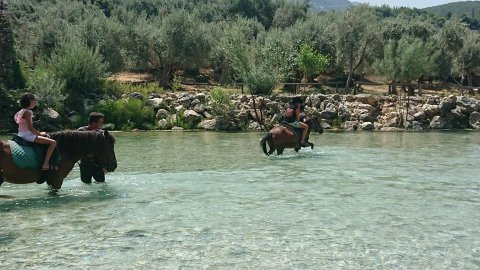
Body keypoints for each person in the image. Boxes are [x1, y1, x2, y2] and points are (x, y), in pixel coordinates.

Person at [14, 94, 57, 171]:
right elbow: (30, 128)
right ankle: (45, 163)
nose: (35, 103)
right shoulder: (28, 112)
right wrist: (40, 134)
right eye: (34, 101)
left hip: (21, 134)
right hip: (27, 135)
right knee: (53, 142)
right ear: (30, 101)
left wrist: (39, 133)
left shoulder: (21, 111)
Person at [78, 112, 106, 184]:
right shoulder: (81, 132)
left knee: (101, 184)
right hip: (85, 164)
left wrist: (105, 166)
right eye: (101, 122)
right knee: (86, 185)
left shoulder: (101, 133)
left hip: (98, 165)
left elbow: (104, 151)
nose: (102, 124)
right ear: (94, 123)